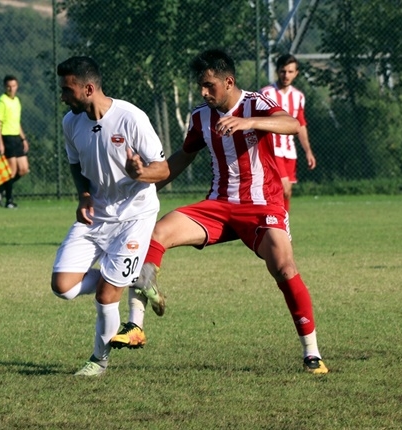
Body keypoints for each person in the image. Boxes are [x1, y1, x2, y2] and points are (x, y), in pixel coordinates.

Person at [135, 49, 328, 374]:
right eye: (200, 86)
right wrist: (146, 188)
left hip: (262, 205)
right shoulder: (200, 117)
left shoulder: (255, 103)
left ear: (229, 81)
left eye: (209, 86)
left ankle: (312, 353)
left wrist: (249, 122)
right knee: (158, 232)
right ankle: (135, 325)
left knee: (284, 267)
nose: (204, 92)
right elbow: (181, 160)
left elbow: (292, 124)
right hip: (219, 206)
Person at [51, 56, 169, 376]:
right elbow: (76, 165)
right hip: (97, 217)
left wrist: (142, 171)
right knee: (62, 286)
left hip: (135, 216)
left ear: (88, 88)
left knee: (106, 295)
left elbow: (164, 168)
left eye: (67, 89)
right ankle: (137, 277)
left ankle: (99, 360)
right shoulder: (70, 123)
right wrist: (84, 195)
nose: (62, 96)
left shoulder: (131, 118)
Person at [259, 54, 316, 212]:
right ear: (277, 71)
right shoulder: (266, 94)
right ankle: (274, 229)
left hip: (289, 151)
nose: (286, 75)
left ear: (296, 73)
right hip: (271, 149)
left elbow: (301, 125)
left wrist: (308, 151)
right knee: (283, 188)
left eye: (290, 72)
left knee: (287, 192)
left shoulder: (298, 97)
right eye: (283, 71)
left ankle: (281, 227)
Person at [0, 75, 29, 209]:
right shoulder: (2, 101)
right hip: (7, 137)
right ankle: (9, 201)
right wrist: (0, 142)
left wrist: (23, 138)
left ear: (17, 86)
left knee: (24, 169)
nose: (11, 89)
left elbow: (17, 122)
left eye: (13, 86)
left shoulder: (17, 101)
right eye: (8, 86)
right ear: (4, 87)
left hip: (16, 138)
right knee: (12, 171)